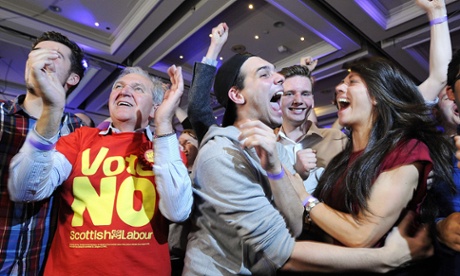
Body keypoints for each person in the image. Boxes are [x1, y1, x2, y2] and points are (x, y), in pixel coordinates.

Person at [183, 25, 434, 272]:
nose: (280, 78)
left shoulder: (278, 153)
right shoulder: (221, 153)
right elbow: (282, 250)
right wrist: (386, 258)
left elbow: (294, 225)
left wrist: (278, 172)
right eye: (264, 74)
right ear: (237, 95)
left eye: (305, 92)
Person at [8, 65, 192, 275]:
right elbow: (25, 189)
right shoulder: (80, 139)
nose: (124, 91)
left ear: (154, 108)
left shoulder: (166, 149)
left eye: (138, 88)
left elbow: (178, 211)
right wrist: (51, 114)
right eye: (118, 86)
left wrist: (164, 123)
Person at [0, 31, 86, 275]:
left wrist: (53, 108)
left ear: (72, 78)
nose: (41, 59)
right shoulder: (2, 117)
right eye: (36, 52)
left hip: (43, 263)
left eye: (55, 55)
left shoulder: (79, 132)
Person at [276, 62, 347, 193]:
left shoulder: (336, 139)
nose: (298, 100)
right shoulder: (267, 145)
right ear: (278, 100)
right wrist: (296, 171)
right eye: (290, 93)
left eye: (305, 93)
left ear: (313, 101)